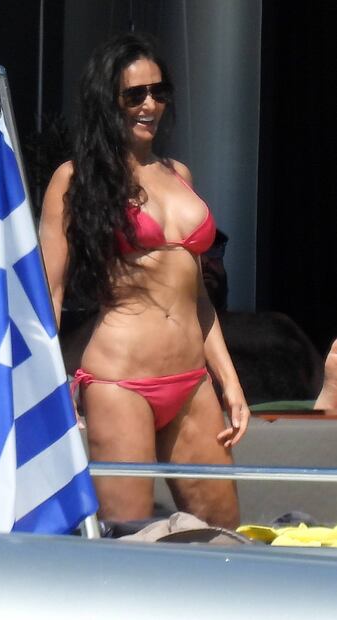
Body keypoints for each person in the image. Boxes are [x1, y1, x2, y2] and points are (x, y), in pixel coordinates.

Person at [39, 33, 249, 529]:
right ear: (107, 101)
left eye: (159, 92)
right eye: (135, 95)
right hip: (120, 381)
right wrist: (44, 391)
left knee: (223, 538)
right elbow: (49, 292)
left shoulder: (179, 174)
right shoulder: (75, 179)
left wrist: (230, 381)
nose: (149, 105)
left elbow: (197, 296)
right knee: (129, 541)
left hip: (192, 383)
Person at [201, 230, 324, 404]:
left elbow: (322, 381)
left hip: (306, 416)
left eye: (214, 251)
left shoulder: (278, 323)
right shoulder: (174, 337)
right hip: (229, 417)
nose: (205, 261)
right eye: (194, 254)